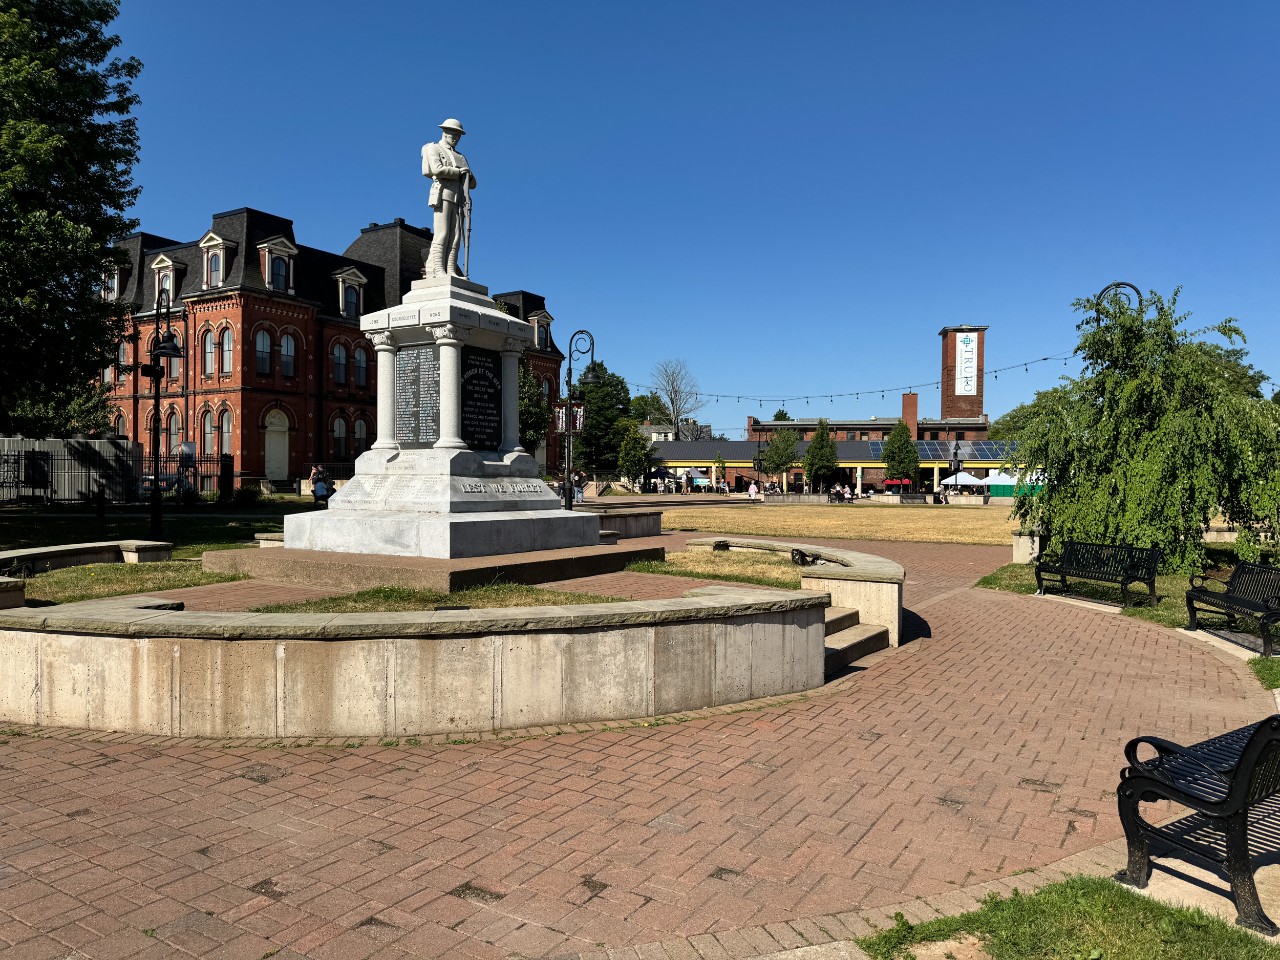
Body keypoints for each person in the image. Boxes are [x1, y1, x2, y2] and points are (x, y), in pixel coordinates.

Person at [422, 118, 477, 279]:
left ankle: (450, 269)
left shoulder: (461, 157)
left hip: (459, 198)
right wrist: (458, 172)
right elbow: (436, 169)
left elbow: (472, 184)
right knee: (443, 233)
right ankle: (438, 269)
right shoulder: (434, 148)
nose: (456, 137)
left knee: (456, 236)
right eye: (453, 133)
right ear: (444, 131)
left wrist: (468, 174)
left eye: (458, 135)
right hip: (443, 194)